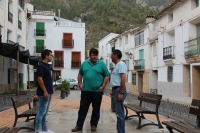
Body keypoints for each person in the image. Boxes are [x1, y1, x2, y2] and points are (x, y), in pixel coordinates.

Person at [71, 48, 109, 132]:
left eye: (96, 55)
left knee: (96, 109)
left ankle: (93, 125)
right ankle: (79, 125)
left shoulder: (102, 64)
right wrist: (80, 84)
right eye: (93, 55)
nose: (95, 57)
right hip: (85, 91)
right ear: (90, 55)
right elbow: (80, 74)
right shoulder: (84, 64)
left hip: (97, 92)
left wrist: (103, 86)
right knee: (82, 109)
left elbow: (107, 75)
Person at [34, 49, 54, 133]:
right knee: (41, 112)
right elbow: (39, 79)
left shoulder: (46, 66)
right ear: (46, 56)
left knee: (45, 112)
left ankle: (45, 129)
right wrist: (45, 91)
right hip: (44, 93)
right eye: (51, 55)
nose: (52, 56)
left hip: (48, 92)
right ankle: (37, 130)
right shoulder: (41, 66)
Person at [110, 49, 127, 133]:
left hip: (119, 90)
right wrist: (112, 88)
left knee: (120, 113)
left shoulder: (121, 64)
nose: (110, 56)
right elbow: (116, 79)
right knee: (118, 112)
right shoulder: (117, 65)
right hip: (115, 89)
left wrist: (120, 92)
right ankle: (119, 130)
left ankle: (121, 131)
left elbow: (123, 78)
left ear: (116, 55)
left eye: (111, 54)